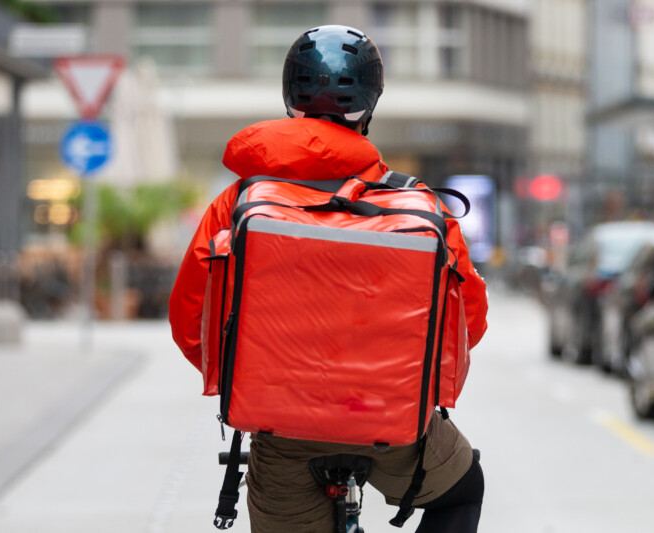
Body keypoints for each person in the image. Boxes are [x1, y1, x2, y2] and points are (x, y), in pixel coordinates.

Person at [169, 25, 488, 532]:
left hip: (280, 429)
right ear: (370, 102)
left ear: (289, 96)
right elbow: (468, 321)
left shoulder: (238, 202)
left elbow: (191, 320)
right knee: (462, 492)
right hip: (395, 424)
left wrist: (251, 379)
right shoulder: (419, 206)